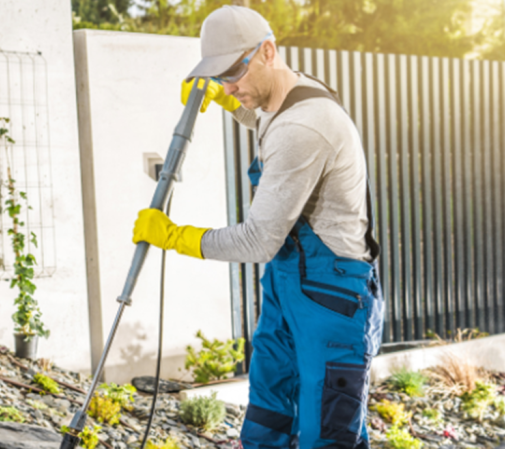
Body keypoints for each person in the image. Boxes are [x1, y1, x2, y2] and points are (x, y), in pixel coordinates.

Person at [132, 6, 384, 449]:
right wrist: (231, 102)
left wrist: (174, 236)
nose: (229, 85)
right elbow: (266, 117)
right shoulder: (287, 93)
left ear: (267, 51)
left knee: (327, 434)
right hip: (289, 285)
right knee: (269, 413)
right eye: (219, 76)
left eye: (233, 74)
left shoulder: (304, 126)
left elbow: (258, 239)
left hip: (332, 296)